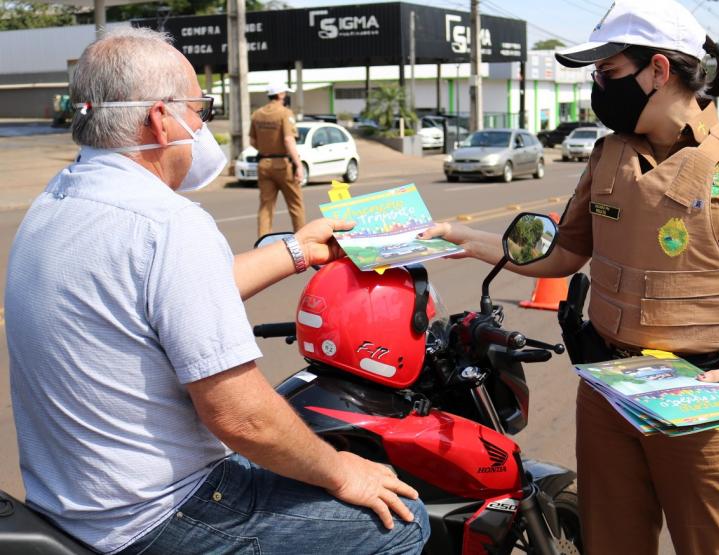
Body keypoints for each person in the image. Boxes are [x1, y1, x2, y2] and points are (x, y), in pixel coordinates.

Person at [5, 28, 428, 555]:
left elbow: (166, 300)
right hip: (156, 515)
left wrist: (297, 251)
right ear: (161, 120)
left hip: (79, 502)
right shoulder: (169, 222)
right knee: (404, 526)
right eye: (199, 111)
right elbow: (240, 417)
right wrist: (342, 471)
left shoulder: (59, 202)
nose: (203, 128)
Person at [422, 1, 719, 553]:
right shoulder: (609, 155)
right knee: (609, 543)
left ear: (658, 70)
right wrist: (466, 241)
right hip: (609, 397)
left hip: (702, 403)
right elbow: (562, 255)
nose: (598, 87)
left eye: (607, 73)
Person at [250, 83, 307, 237]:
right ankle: (302, 242)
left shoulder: (257, 114)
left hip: (263, 164)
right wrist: (298, 165)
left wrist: (267, 149)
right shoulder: (285, 113)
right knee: (296, 206)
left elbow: (252, 141)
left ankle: (262, 242)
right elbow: (289, 140)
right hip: (283, 165)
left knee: (266, 207)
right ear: (281, 95)